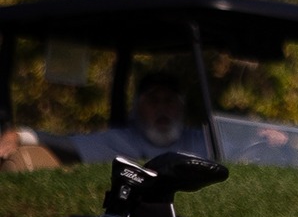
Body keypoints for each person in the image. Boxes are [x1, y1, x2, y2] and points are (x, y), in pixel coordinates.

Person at [0, 71, 211, 166]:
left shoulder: (202, 140)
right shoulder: (121, 141)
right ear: (138, 108)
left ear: (181, 107)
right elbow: (68, 144)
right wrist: (19, 136)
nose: (162, 109)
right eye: (153, 101)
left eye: (169, 101)